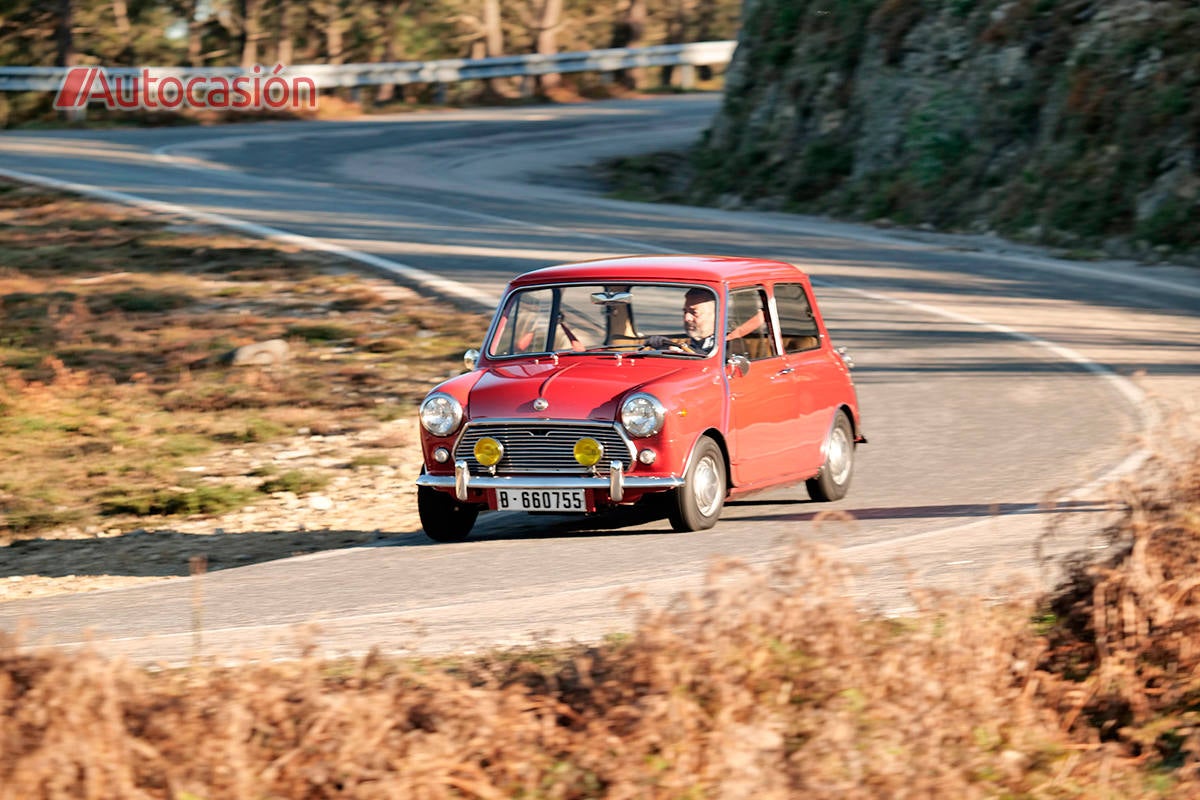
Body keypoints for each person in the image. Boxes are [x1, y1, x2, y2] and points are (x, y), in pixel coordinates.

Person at [645, 288, 716, 354]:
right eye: (685, 312)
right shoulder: (691, 341)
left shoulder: (725, 347)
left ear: (715, 314)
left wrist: (682, 351)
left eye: (694, 313)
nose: (687, 318)